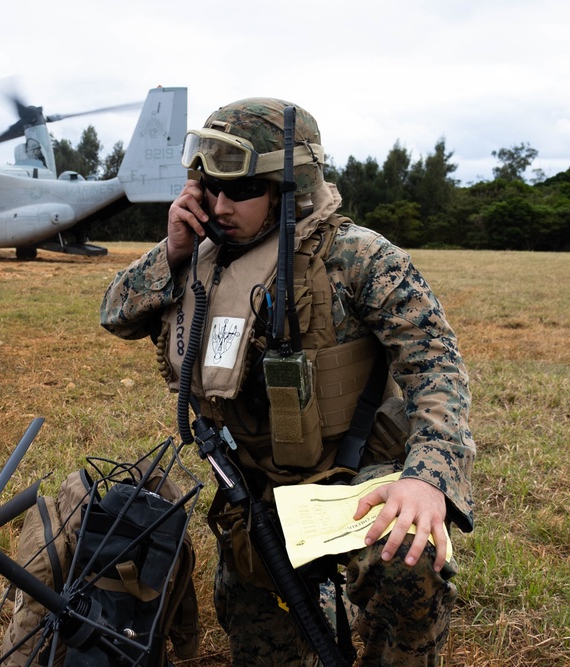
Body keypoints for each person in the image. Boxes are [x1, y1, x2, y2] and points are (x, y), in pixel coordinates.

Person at [99, 97, 475, 666]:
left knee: (406, 558)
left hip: (358, 475)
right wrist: (174, 251)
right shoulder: (199, 258)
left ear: (289, 187)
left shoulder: (357, 257)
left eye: (242, 190)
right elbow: (116, 314)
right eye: (209, 187)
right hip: (254, 492)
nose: (221, 206)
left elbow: (436, 365)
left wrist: (427, 480)